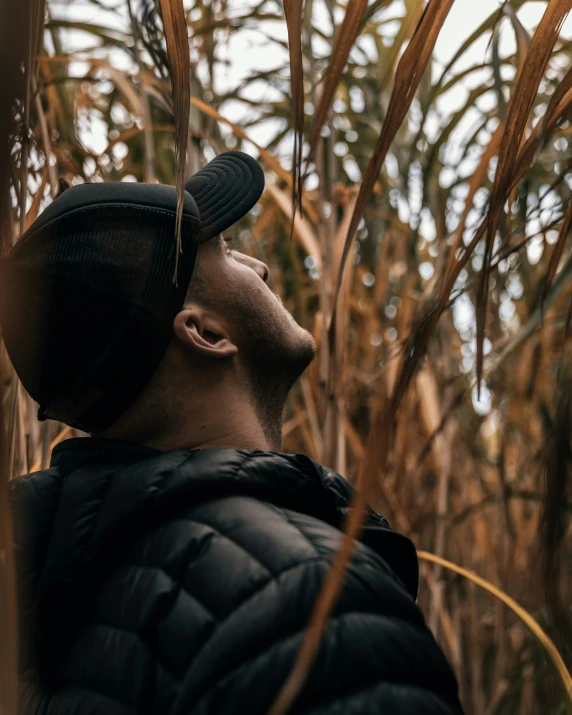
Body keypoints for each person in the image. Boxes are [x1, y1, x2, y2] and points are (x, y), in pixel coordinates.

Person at [1, 151, 464, 714]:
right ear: (203, 331)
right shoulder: (311, 601)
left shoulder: (51, 606)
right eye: (222, 249)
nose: (259, 266)